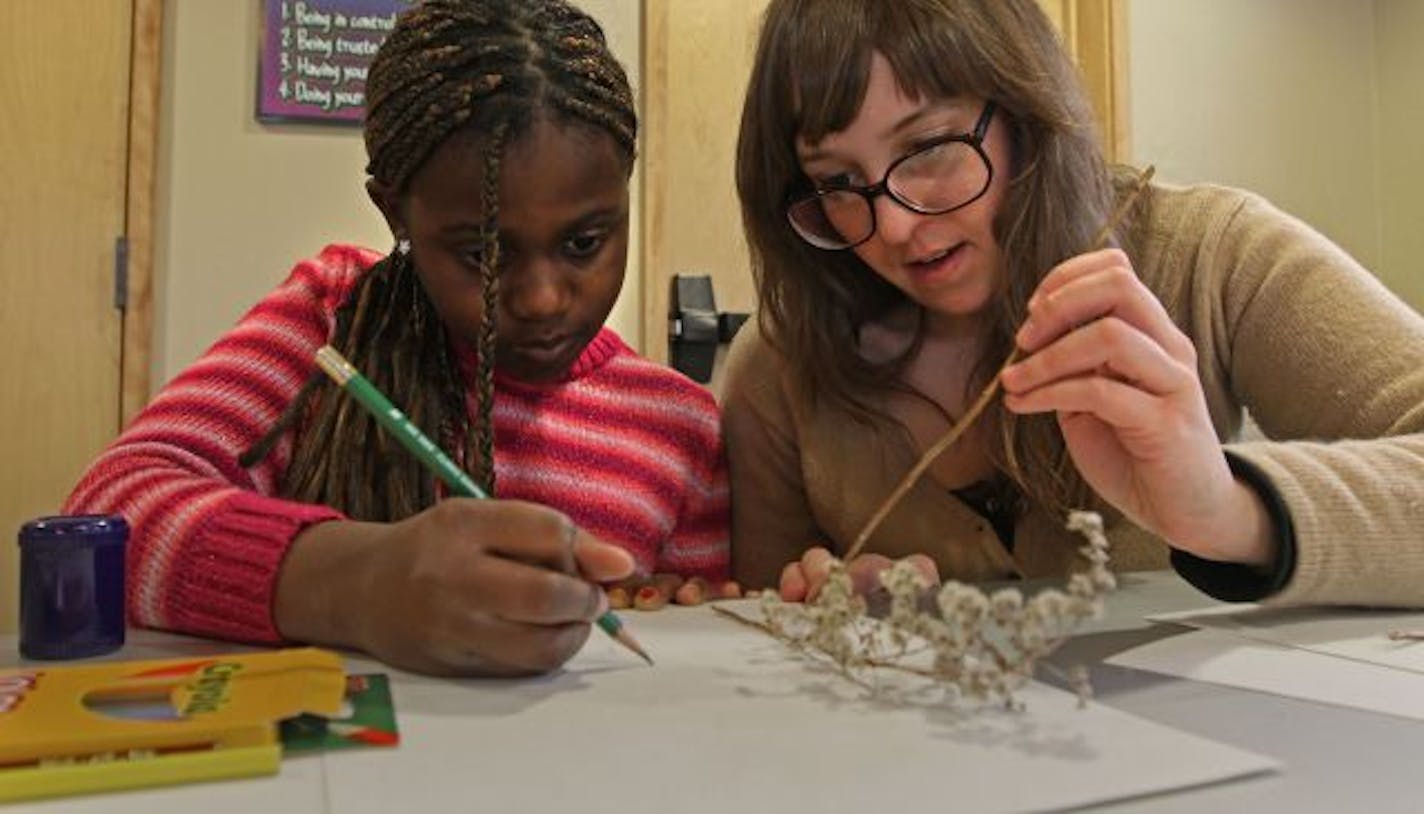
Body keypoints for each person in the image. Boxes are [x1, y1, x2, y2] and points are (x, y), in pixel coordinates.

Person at [64, 0, 730, 677]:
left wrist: (670, 606)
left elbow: (691, 643)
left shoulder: (680, 425)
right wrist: (355, 584)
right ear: (394, 210)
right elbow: (103, 524)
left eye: (585, 243)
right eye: (481, 255)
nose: (539, 299)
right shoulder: (332, 322)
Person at [723, 0, 1424, 606]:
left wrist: (1228, 509)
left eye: (930, 148)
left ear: (1026, 115)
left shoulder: (1211, 256)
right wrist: (828, 607)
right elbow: (764, 632)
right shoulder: (779, 365)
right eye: (839, 179)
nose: (898, 226)